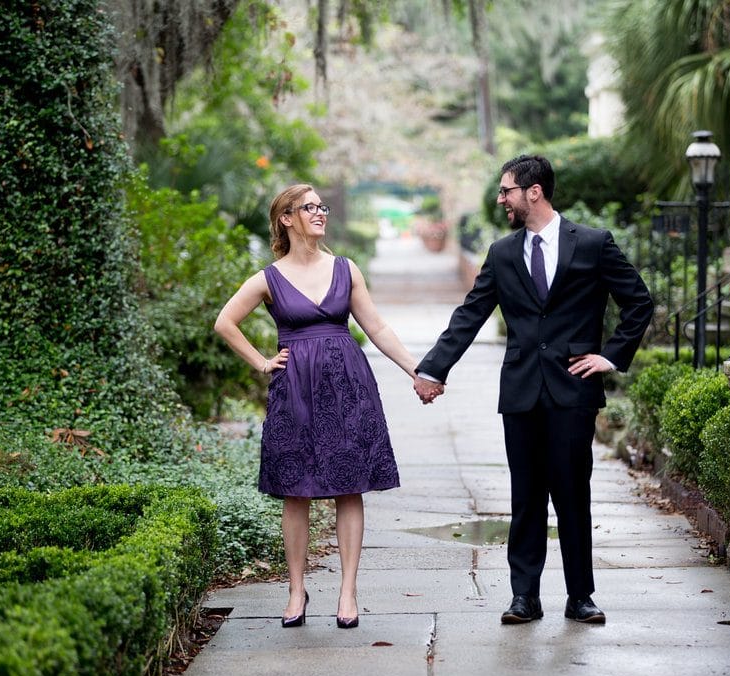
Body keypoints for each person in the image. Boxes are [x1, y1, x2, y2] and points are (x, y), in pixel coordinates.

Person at [414, 155, 653, 625]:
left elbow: (638, 301)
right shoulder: (502, 253)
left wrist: (611, 355)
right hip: (521, 393)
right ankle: (524, 596)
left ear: (534, 191)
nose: (501, 199)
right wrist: (433, 369)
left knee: (571, 495)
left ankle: (580, 595)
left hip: (573, 391)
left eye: (507, 191)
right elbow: (471, 314)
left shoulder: (592, 243)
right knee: (525, 497)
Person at [214, 184, 419, 629]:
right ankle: (295, 590)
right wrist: (263, 363)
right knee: (296, 489)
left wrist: (416, 371)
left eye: (322, 206)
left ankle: (347, 592)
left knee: (350, 485)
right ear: (287, 218)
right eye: (309, 207)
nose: (320, 213)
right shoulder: (268, 278)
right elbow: (225, 322)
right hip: (294, 391)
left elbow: (378, 328)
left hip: (347, 386)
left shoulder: (346, 269)